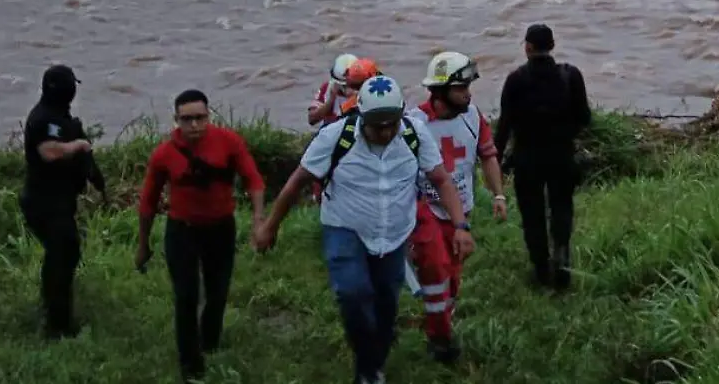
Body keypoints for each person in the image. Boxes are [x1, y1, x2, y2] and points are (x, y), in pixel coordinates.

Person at [253, 75, 473, 384]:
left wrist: (461, 225)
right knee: (353, 293)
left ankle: (373, 365)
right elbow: (296, 183)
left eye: (390, 124)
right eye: (376, 126)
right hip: (346, 229)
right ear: (362, 118)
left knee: (386, 303)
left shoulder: (414, 134)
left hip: (395, 234)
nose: (384, 132)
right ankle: (368, 368)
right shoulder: (335, 137)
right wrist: (270, 227)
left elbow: (441, 180)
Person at [134, 89, 267, 382]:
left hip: (221, 228)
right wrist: (143, 244)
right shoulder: (164, 154)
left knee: (218, 292)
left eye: (200, 118)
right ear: (176, 120)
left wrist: (259, 220)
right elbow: (148, 202)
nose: (194, 125)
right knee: (186, 296)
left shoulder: (228, 142)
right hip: (182, 231)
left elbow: (253, 179)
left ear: (209, 116)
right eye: (187, 119)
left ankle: (210, 342)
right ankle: (190, 366)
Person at [410, 50, 508, 362]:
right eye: (460, 89)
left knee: (450, 278)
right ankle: (440, 339)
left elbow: (488, 156)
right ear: (439, 91)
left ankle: (439, 320)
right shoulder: (415, 123)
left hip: (459, 211)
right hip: (424, 209)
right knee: (436, 268)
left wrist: (498, 195)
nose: (467, 94)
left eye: (468, 88)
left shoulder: (473, 116)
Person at [495, 23, 591, 290]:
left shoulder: (516, 79)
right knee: (562, 206)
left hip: (527, 157)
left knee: (532, 213)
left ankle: (540, 268)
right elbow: (585, 118)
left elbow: (504, 126)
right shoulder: (571, 76)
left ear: (527, 47)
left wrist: (495, 160)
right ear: (553, 46)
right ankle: (561, 255)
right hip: (562, 155)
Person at [21, 64, 107, 339]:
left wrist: (93, 177)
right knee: (63, 256)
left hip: (58, 200)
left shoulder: (60, 116)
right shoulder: (44, 118)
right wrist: (79, 146)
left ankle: (53, 313)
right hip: (45, 202)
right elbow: (50, 152)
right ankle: (58, 326)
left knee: (62, 256)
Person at [309, 54, 379, 128]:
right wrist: (330, 100)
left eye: (351, 85)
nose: (347, 88)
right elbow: (312, 119)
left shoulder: (367, 92)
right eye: (343, 86)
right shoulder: (327, 88)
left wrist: (355, 98)